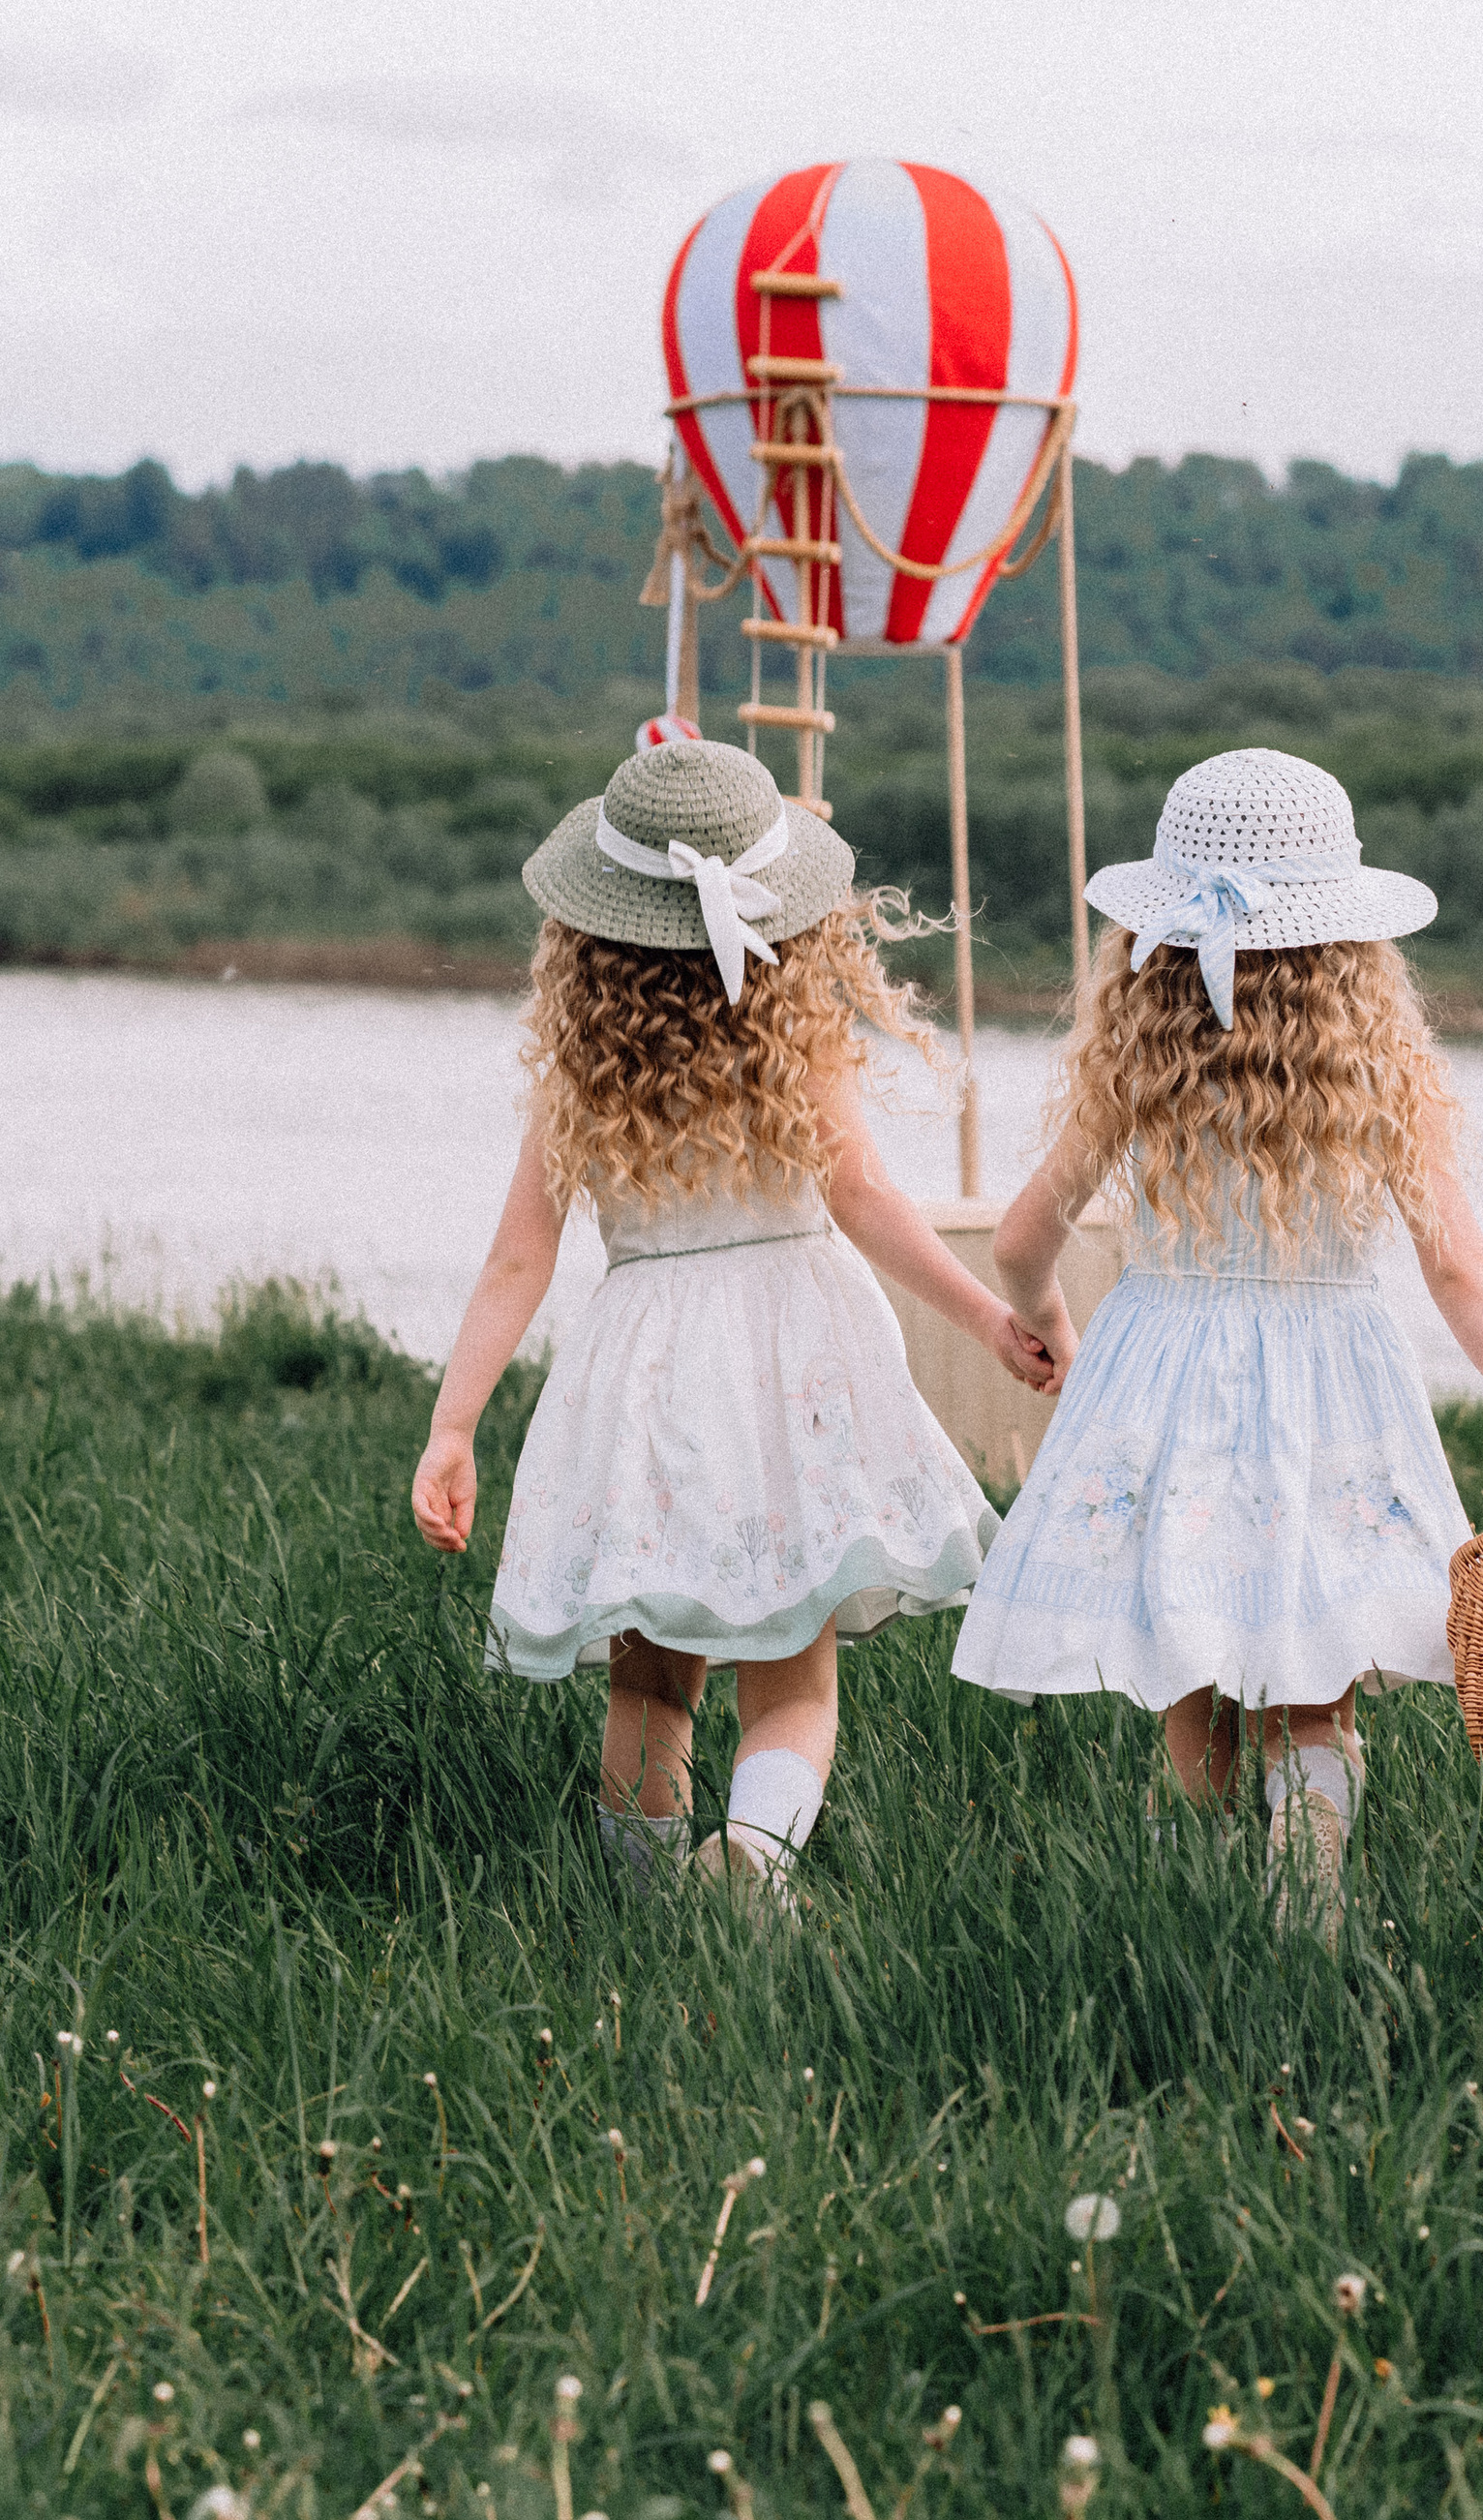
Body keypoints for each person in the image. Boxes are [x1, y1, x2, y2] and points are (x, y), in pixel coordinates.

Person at [951, 747, 1483, 1937]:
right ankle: (1304, 1899)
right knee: (1313, 1691)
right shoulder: (1380, 1075)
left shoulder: (1136, 1061)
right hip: (1329, 1384)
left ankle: (1186, 1924)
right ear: (1349, 944)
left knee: (1192, 1684)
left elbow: (1020, 1237)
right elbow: (1459, 1267)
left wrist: (1045, 1325)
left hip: (1165, 1380)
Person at [411, 734, 1064, 1909]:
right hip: (791, 1354)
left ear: (593, 929)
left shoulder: (581, 1065)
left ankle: (644, 1905)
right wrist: (982, 1317)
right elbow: (865, 1199)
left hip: (646, 1365)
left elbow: (521, 1256)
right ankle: (755, 1864)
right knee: (792, 1681)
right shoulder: (793, 1041)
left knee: (650, 1681)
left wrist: (453, 1427)